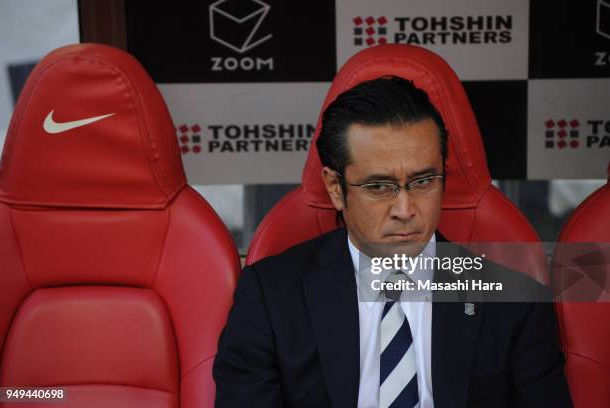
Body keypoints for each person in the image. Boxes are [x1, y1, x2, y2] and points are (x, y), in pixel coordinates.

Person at [213, 76, 573, 408]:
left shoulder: (514, 303)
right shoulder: (269, 297)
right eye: (379, 186)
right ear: (336, 188)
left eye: (423, 181)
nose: (405, 209)